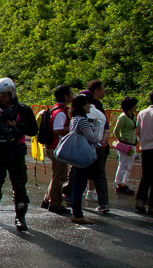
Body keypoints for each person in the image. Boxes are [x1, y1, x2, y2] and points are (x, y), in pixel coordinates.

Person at [0, 77, 38, 230]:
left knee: (19, 184)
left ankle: (20, 217)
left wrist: (16, 124)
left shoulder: (23, 109)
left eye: (3, 95)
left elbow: (33, 129)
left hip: (15, 151)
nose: (0, 98)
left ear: (11, 93)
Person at [66, 94, 100, 224]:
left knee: (76, 185)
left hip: (75, 155)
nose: (89, 105)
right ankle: (78, 214)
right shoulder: (82, 120)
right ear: (82, 106)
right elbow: (92, 138)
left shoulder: (74, 118)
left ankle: (76, 213)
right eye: (87, 103)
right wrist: (97, 126)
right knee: (80, 186)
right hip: (82, 156)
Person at [41, 85, 73, 214]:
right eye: (71, 93)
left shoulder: (57, 110)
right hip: (57, 148)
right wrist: (72, 128)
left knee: (56, 176)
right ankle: (55, 204)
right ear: (65, 96)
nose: (73, 95)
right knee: (60, 177)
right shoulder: (60, 112)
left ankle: (47, 200)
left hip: (54, 147)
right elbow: (57, 129)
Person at [80, 83, 110, 212]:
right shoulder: (100, 112)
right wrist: (102, 142)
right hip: (99, 148)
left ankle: (70, 197)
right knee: (100, 176)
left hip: (84, 148)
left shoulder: (81, 113)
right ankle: (104, 204)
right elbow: (107, 129)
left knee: (78, 173)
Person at [136, 89, 153, 214]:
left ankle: (140, 200)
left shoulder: (142, 113)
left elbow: (138, 131)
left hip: (145, 148)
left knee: (146, 176)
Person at [113, 96, 139, 195]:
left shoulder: (131, 116)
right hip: (126, 144)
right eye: (134, 105)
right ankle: (119, 184)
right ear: (130, 106)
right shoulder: (123, 117)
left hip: (132, 144)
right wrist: (121, 139)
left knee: (129, 165)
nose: (136, 107)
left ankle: (124, 183)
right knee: (123, 164)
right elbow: (116, 130)